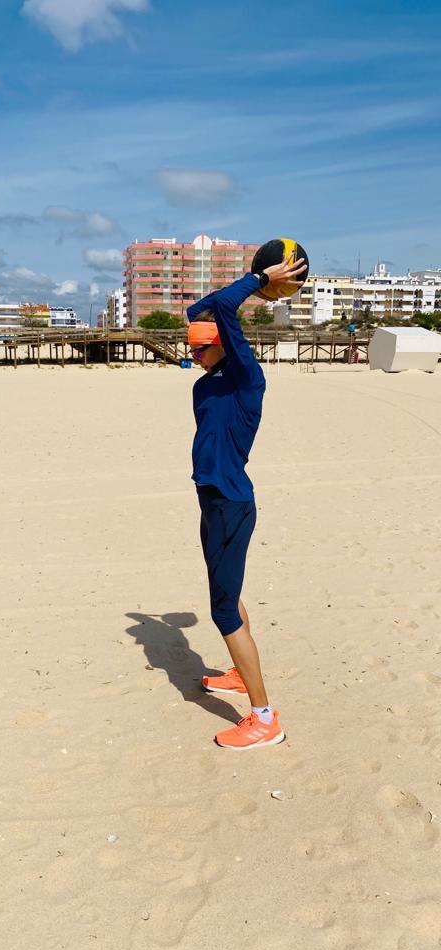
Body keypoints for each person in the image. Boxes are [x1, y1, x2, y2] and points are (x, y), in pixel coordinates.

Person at [186, 255, 307, 750]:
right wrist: (240, 294)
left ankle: (264, 718)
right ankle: (240, 673)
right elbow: (200, 309)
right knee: (226, 589)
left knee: (222, 610)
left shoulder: (246, 379)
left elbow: (223, 310)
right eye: (192, 348)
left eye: (201, 348)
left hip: (232, 503)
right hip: (209, 498)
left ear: (223, 345)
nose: (193, 355)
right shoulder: (205, 384)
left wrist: (260, 282)